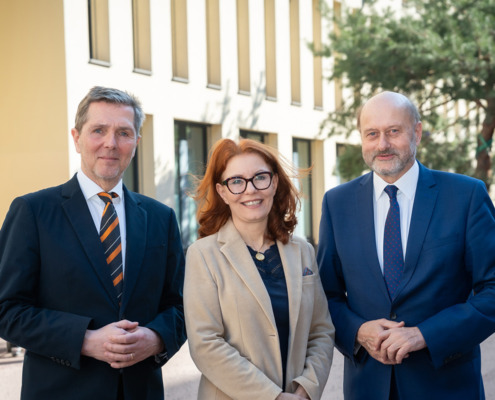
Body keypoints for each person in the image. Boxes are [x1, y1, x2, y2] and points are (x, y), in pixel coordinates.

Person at [0, 86, 186, 400]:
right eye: (98, 130)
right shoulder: (33, 212)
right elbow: (6, 309)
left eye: (124, 133)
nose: (110, 143)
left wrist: (155, 338)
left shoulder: (161, 218)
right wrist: (84, 340)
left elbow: (181, 307)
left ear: (136, 143)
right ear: (76, 137)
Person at [317, 91, 495, 399]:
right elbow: (325, 295)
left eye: (393, 131)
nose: (382, 144)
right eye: (372, 134)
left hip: (446, 387)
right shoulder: (337, 203)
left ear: (417, 132)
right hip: (367, 387)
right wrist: (358, 331)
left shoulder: (466, 196)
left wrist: (426, 334)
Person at [184, 138, 335, 400]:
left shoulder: (303, 252)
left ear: (274, 183)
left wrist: (306, 389)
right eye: (237, 181)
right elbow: (205, 344)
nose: (250, 190)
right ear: (223, 192)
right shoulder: (203, 255)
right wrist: (273, 397)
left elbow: (321, 331)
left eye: (260, 177)